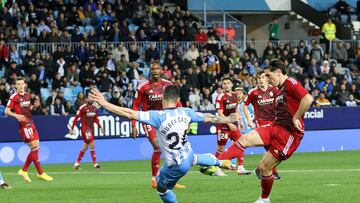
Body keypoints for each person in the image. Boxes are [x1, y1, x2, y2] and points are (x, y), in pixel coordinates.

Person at [89, 85, 235, 203]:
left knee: (161, 188)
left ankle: (216, 164)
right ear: (177, 99)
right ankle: (220, 162)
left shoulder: (157, 116)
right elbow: (209, 117)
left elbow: (129, 113)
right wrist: (228, 119)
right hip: (187, 154)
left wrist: (104, 104)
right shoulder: (186, 112)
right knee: (193, 158)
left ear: (163, 99)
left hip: (176, 165)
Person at [204, 60, 313, 203]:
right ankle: (214, 163)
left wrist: (296, 117)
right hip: (275, 126)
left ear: (279, 72)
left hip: (289, 135)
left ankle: (264, 198)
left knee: (264, 168)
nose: (267, 79)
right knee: (244, 139)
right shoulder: (279, 89)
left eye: (268, 75)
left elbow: (308, 98)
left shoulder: (291, 82)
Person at [131, 61, 184, 189]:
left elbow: (177, 102)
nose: (155, 71)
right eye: (152, 69)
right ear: (150, 70)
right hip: (148, 118)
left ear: (161, 70)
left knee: (168, 149)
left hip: (164, 119)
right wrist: (134, 125)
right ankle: (154, 179)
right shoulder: (142, 86)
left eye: (157, 68)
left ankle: (168, 179)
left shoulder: (168, 85)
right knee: (157, 146)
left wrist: (182, 115)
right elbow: (136, 105)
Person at [5, 77, 54, 182]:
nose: (21, 85)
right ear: (15, 86)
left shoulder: (27, 95)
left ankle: (24, 170)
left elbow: (29, 108)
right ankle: (40, 173)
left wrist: (35, 106)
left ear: (25, 85)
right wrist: (16, 116)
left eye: (22, 83)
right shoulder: (14, 97)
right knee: (35, 147)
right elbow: (6, 111)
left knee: (36, 147)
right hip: (24, 124)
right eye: (19, 84)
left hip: (31, 122)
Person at [244, 70, 282, 180]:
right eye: (258, 78)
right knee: (272, 149)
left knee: (276, 149)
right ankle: (272, 172)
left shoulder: (274, 90)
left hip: (274, 123)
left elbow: (280, 102)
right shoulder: (253, 92)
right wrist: (248, 119)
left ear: (266, 79)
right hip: (261, 124)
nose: (260, 80)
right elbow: (244, 106)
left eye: (262, 77)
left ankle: (260, 169)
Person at [215, 78, 250, 175]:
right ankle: (216, 168)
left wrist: (240, 120)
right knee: (221, 148)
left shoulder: (235, 95)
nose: (226, 85)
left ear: (231, 85)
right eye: (224, 83)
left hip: (234, 125)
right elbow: (220, 113)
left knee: (241, 143)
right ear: (222, 85)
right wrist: (229, 123)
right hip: (222, 126)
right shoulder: (220, 97)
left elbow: (236, 109)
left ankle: (240, 168)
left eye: (228, 83)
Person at [69, 98, 105, 169]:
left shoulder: (94, 108)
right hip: (85, 129)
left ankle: (76, 164)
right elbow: (76, 118)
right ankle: (95, 164)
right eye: (89, 99)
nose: (91, 100)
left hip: (91, 129)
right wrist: (72, 128)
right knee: (92, 144)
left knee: (85, 147)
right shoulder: (82, 108)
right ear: (86, 100)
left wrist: (100, 127)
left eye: (92, 99)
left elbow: (96, 119)